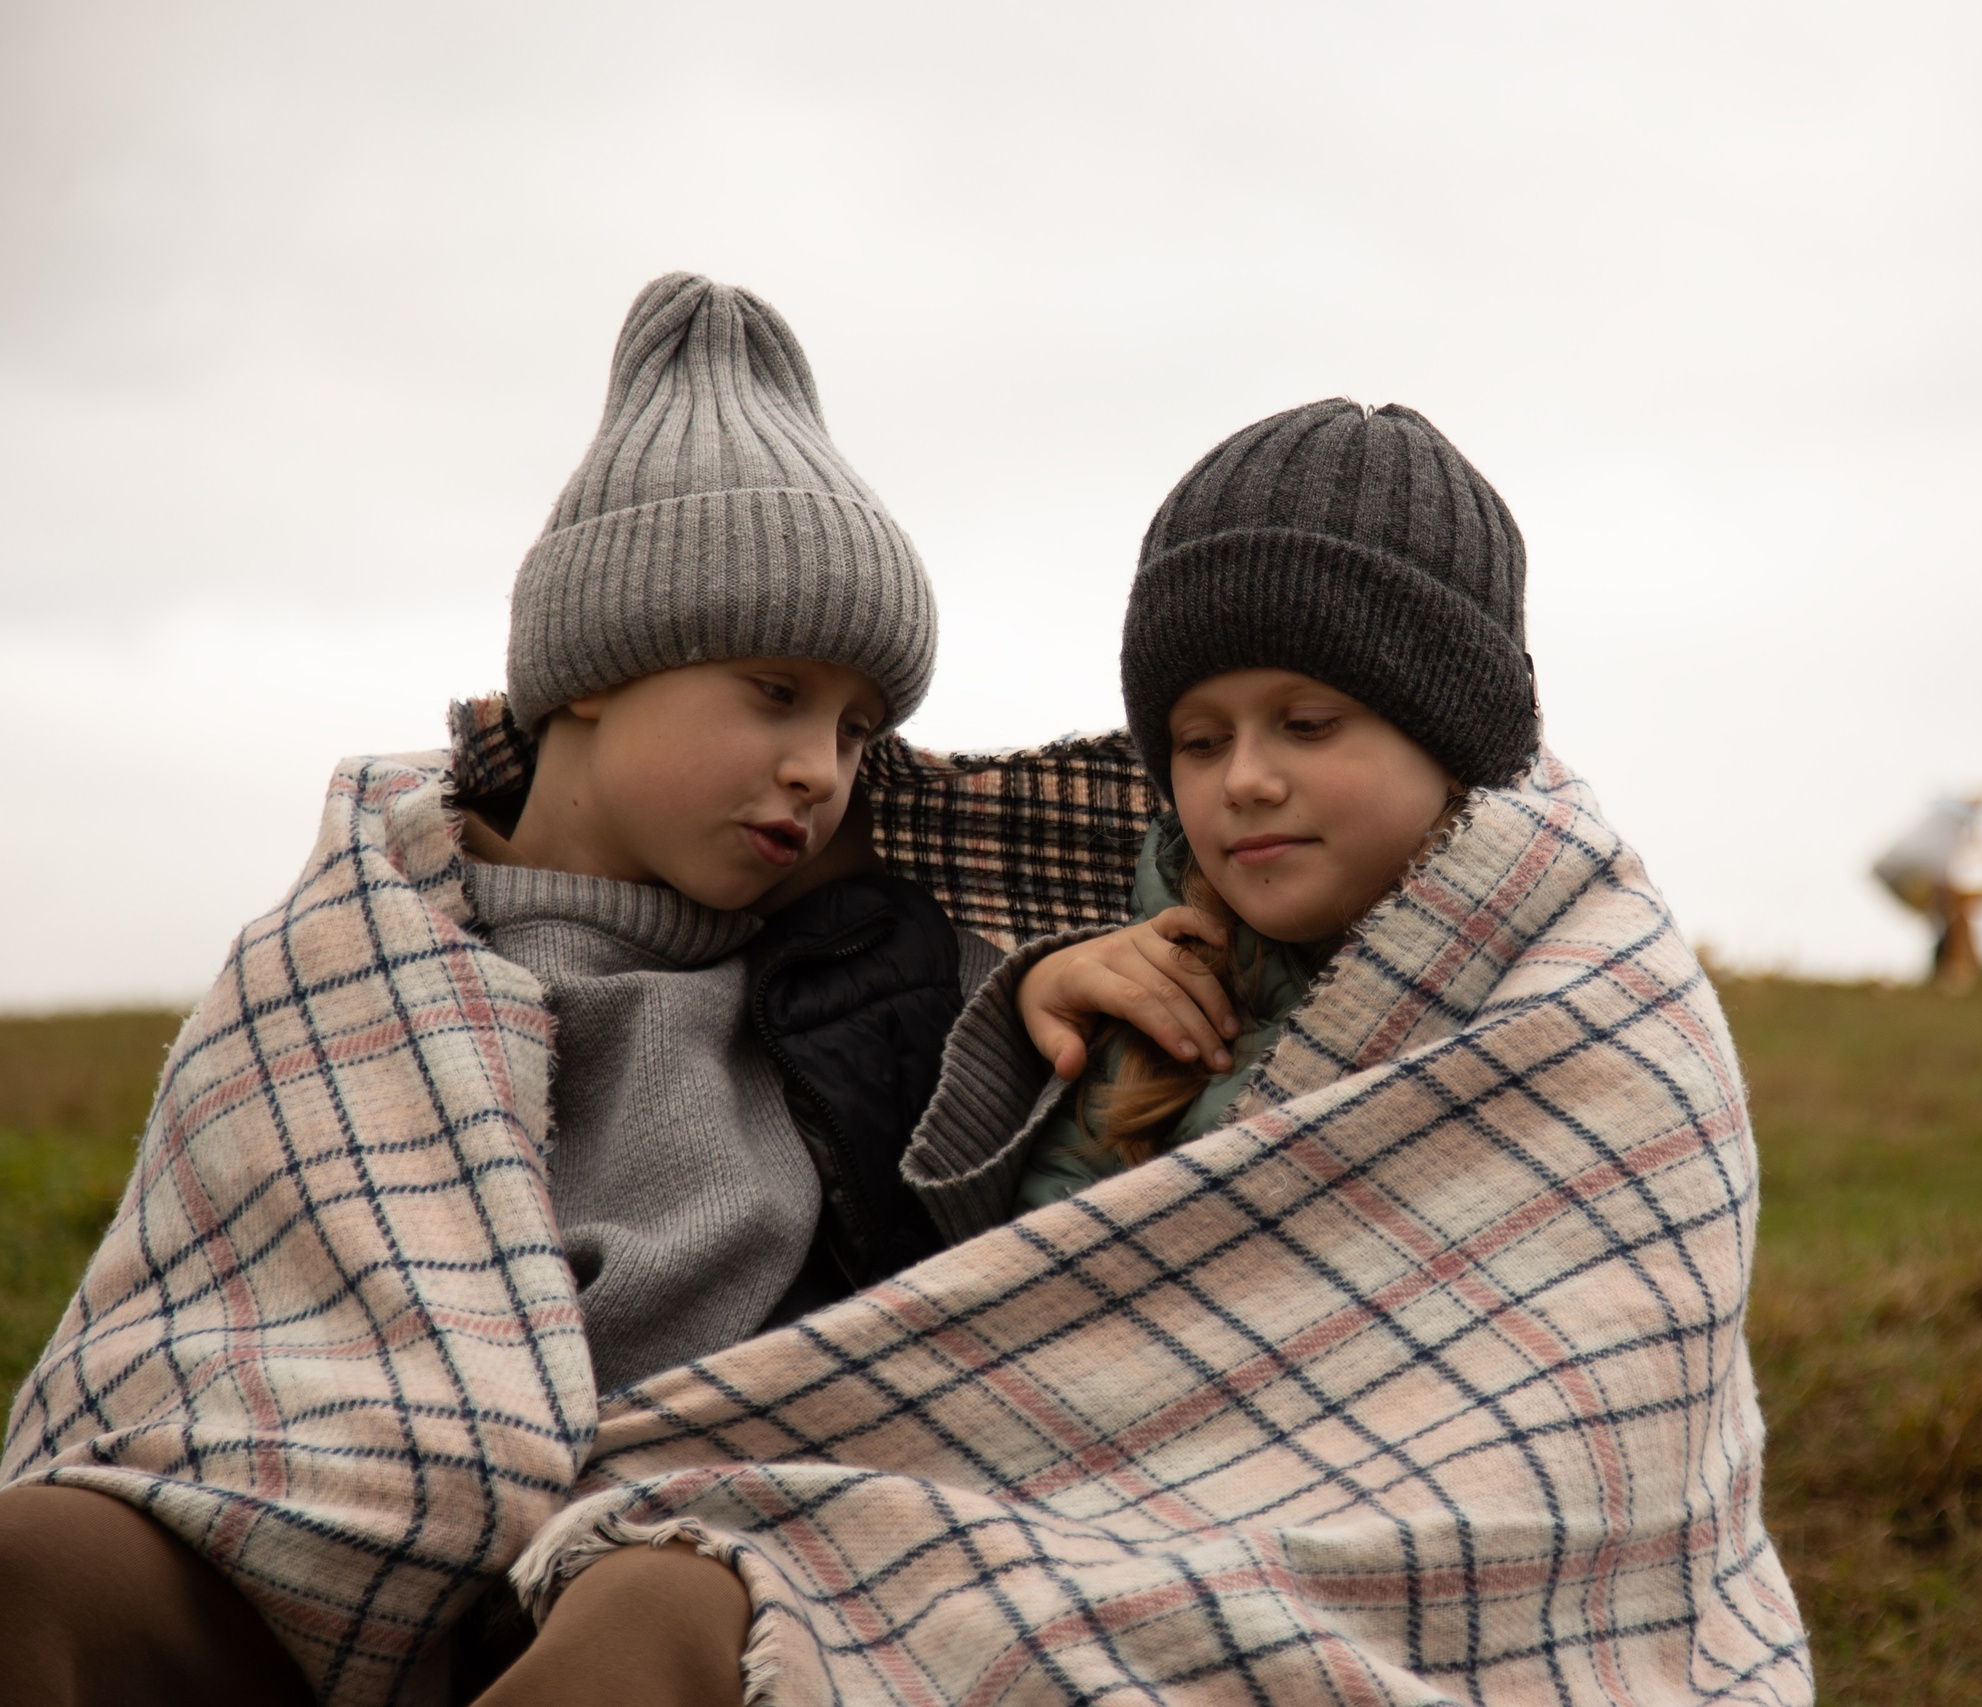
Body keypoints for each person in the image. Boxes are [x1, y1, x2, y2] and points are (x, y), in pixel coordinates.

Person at [500, 399, 1807, 1703]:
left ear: (1448, 735)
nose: (1242, 777)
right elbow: (1004, 1318)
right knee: (658, 1596)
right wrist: (1025, 1026)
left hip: (1393, 1621)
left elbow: (1582, 1455)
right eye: (1199, 736)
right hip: (1056, 1544)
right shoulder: (1140, 968)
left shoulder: (1598, 1022)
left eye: (1309, 722)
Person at [0, 273, 1031, 1705]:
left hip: (669, 1546)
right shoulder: (341, 950)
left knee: (637, 1628)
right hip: (305, 1546)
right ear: (597, 674)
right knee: (32, 1559)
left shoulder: (879, 976)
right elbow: (206, 1333)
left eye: (859, 727)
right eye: (776, 691)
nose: (823, 764)